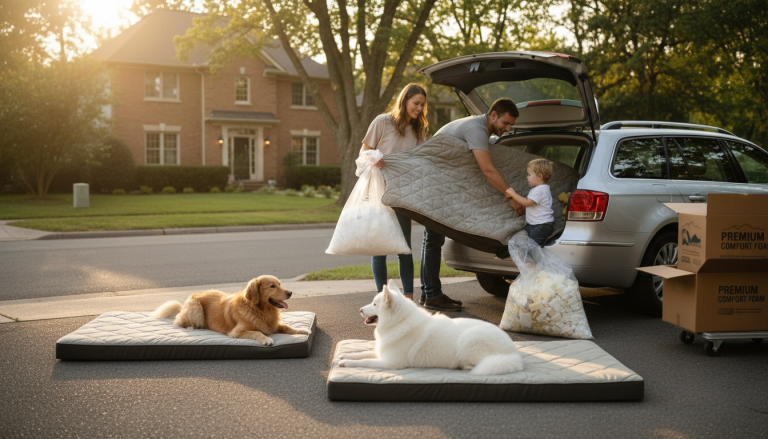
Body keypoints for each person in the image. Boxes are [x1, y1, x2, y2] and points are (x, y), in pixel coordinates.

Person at [420, 98, 523, 312]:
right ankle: (431, 295)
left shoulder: (477, 127)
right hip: (434, 182)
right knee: (433, 240)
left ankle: (429, 293)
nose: (507, 128)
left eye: (511, 125)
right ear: (493, 114)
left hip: (435, 180)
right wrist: (511, 195)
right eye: (505, 123)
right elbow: (487, 170)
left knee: (431, 240)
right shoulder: (476, 129)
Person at [360, 83, 428, 301]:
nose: (419, 108)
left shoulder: (419, 130)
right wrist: (374, 158)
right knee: (379, 249)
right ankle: (382, 299)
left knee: (404, 248)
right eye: (416, 103)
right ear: (405, 100)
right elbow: (364, 150)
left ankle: (408, 299)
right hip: (380, 191)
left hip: (403, 193)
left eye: (422, 105)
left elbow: (421, 161)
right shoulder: (383, 121)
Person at [505, 158, 555, 247]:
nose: (527, 177)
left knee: (533, 249)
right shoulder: (542, 188)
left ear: (539, 176)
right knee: (521, 242)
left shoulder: (540, 190)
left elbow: (527, 203)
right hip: (535, 225)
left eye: (529, 174)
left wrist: (513, 194)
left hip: (541, 226)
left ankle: (532, 260)